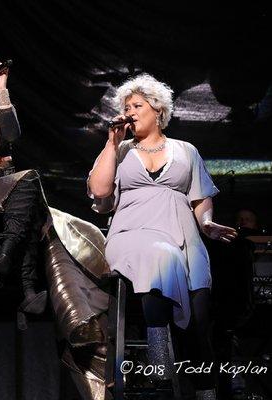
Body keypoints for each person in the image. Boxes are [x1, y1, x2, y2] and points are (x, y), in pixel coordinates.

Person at [0, 51, 112, 398]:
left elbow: (13, 136)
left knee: (27, 195)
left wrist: (2, 90)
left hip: (9, 188)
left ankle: (19, 274)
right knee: (31, 187)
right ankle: (20, 275)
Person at [87, 73, 237, 399]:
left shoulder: (186, 151)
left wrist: (207, 222)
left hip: (185, 236)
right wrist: (111, 143)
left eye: (137, 105)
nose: (130, 110)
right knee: (159, 255)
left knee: (197, 323)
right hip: (132, 234)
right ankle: (159, 367)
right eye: (127, 106)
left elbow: (201, 199)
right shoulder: (121, 151)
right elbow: (99, 191)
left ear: (157, 109)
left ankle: (205, 392)